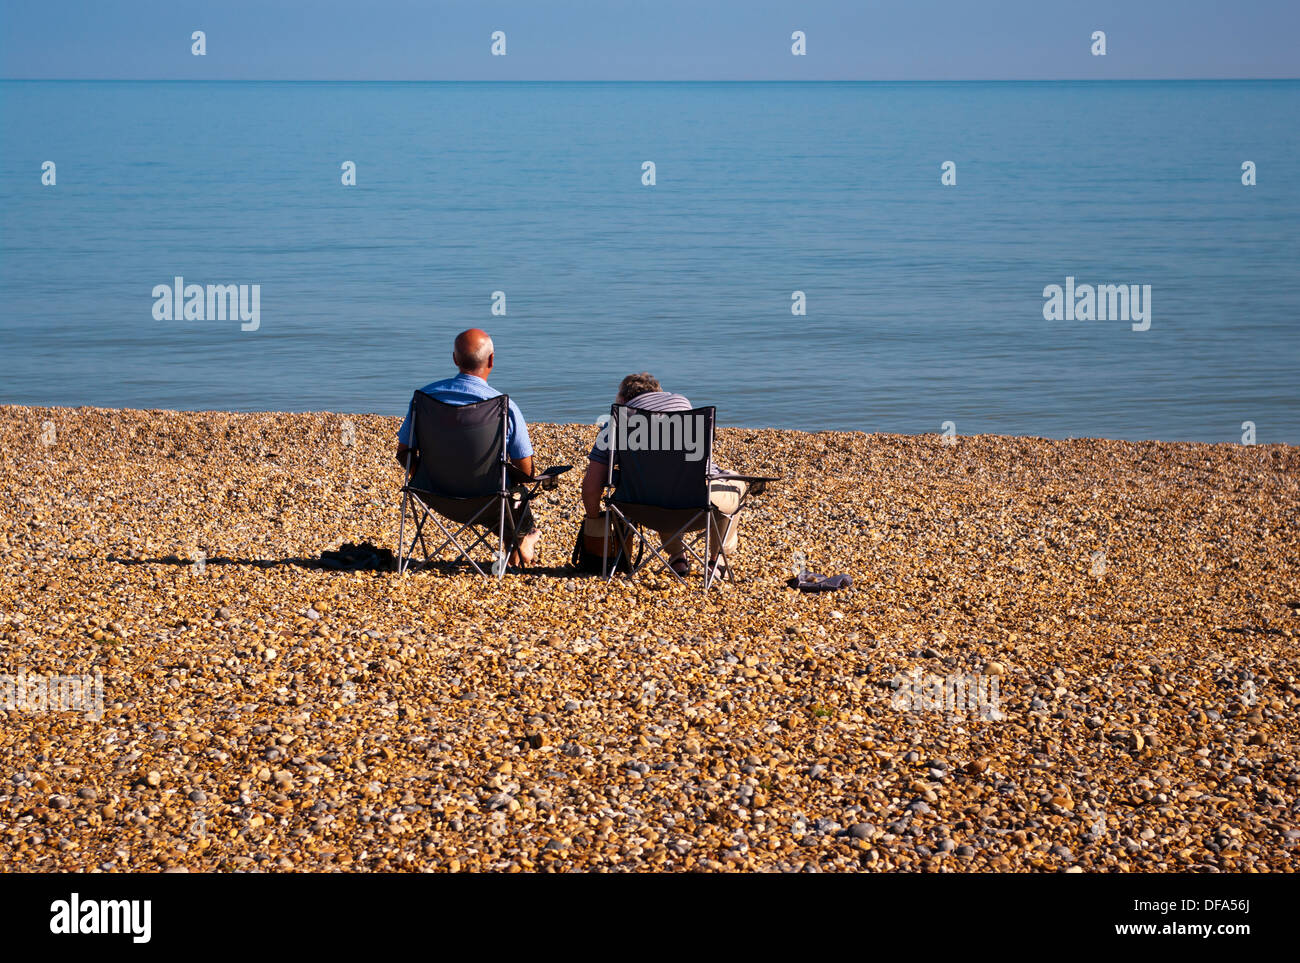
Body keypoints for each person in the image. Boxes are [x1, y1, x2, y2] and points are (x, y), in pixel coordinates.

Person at [580, 372, 747, 578]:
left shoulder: (616, 422)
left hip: (640, 507)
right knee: (736, 482)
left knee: (658, 482)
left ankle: (677, 557)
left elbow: (591, 485)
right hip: (696, 506)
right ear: (658, 392)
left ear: (623, 400)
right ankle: (717, 560)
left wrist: (594, 518)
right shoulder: (682, 406)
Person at [396, 328, 541, 565]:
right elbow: (525, 471)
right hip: (489, 500)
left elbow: (404, 452)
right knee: (514, 490)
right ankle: (521, 542)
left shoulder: (423, 399)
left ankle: (519, 546)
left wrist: (424, 477)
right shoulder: (504, 407)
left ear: (455, 359)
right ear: (492, 360)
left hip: (434, 495)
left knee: (505, 490)